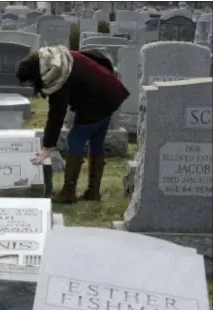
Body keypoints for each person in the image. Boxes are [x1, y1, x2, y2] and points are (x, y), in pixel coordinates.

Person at [16, 45, 129, 204]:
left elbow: (57, 114)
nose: (30, 86)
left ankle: (68, 192)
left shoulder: (57, 77)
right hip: (110, 91)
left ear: (35, 74)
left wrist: (46, 147)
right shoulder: (57, 58)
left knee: (75, 139)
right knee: (96, 141)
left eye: (29, 82)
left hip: (98, 99)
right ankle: (93, 192)